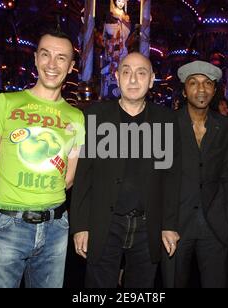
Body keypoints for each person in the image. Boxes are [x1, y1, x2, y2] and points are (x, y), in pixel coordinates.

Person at [0, 29, 85, 288]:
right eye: (45, 55)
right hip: (6, 225)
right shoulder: (5, 102)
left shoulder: (76, 118)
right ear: (35, 59)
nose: (51, 64)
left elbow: (68, 178)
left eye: (61, 58)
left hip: (56, 228)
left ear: (71, 67)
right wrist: (5, 211)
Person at [70, 52, 181, 288]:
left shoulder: (166, 120)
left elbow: (171, 178)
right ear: (117, 77)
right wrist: (80, 226)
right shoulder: (95, 116)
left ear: (151, 80)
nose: (133, 79)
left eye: (141, 73)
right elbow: (83, 176)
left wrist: (169, 224)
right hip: (104, 222)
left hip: (147, 224)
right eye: (127, 72)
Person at [162, 61, 228, 288]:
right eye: (193, 83)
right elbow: (158, 176)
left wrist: (225, 211)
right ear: (185, 91)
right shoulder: (167, 123)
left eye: (207, 84)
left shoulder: (226, 126)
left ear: (214, 91)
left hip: (215, 223)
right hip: (175, 224)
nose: (201, 89)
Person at [101, 0, 131, 98]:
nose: (121, 3)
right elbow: (105, 35)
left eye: (123, 1)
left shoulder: (126, 17)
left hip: (122, 49)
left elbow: (127, 35)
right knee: (110, 72)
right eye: (119, 1)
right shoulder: (110, 15)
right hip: (111, 49)